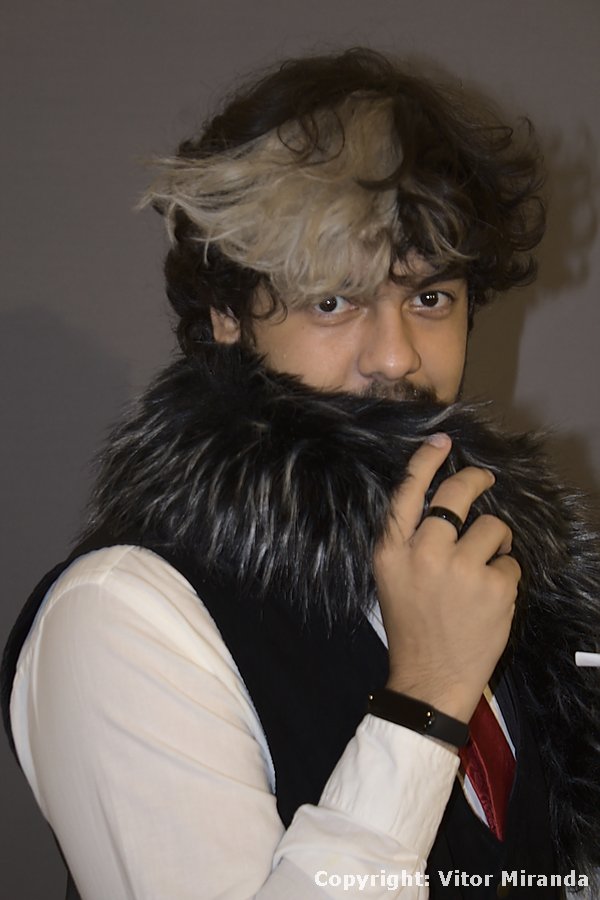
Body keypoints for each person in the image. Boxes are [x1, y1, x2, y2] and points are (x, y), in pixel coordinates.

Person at [2, 48, 600, 899]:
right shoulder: (123, 616)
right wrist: (426, 699)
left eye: (429, 297)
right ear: (227, 315)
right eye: (333, 301)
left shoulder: (486, 562)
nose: (396, 355)